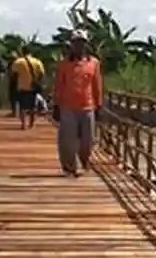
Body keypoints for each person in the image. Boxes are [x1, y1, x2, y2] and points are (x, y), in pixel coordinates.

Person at [52, 29, 103, 175]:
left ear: (86, 45)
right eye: (76, 43)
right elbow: (59, 85)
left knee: (88, 140)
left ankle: (84, 161)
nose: (78, 46)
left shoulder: (93, 63)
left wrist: (99, 105)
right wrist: (56, 105)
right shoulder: (64, 64)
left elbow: (97, 85)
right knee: (67, 140)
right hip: (68, 107)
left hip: (88, 106)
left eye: (81, 43)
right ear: (72, 44)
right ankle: (69, 167)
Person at [9, 45, 46, 129]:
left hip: (22, 86)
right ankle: (31, 124)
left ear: (22, 51)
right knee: (32, 106)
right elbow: (42, 74)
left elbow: (13, 74)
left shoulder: (18, 62)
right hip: (33, 87)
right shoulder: (37, 61)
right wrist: (37, 81)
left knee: (22, 106)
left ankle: (23, 124)